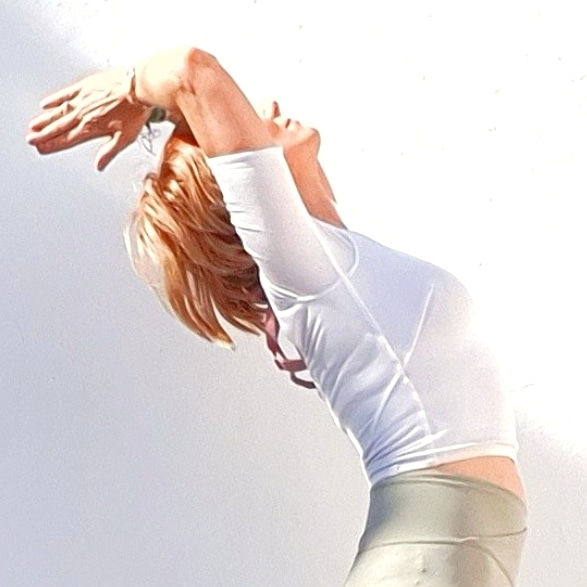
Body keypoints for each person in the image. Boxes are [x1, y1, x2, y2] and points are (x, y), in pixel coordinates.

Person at [26, 46, 528, 586]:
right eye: (247, 123)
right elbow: (193, 70)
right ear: (243, 190)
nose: (265, 109)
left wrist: (157, 112)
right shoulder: (303, 272)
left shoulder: (333, 261)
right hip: (430, 558)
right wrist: (132, 87)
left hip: (453, 554)